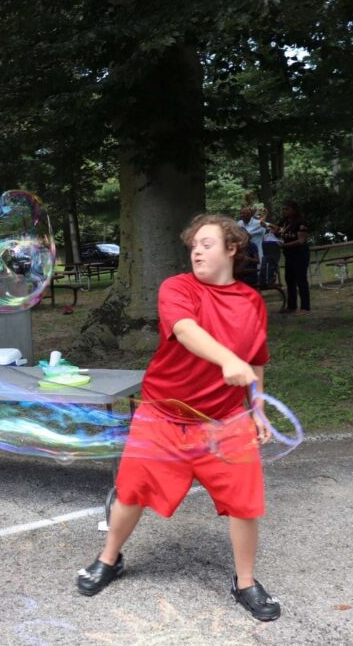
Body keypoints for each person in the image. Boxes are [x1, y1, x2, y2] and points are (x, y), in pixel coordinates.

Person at [75, 214, 280, 622]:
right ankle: (109, 558)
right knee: (132, 491)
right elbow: (186, 331)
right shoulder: (177, 288)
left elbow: (255, 362)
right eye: (193, 246)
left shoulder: (251, 302)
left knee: (245, 502)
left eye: (206, 243)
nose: (197, 251)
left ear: (232, 248)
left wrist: (256, 408)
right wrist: (227, 361)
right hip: (163, 413)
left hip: (225, 418)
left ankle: (245, 582)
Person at [274, 201, 310, 313]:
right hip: (288, 255)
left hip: (300, 254)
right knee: (289, 279)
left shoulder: (301, 223)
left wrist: (284, 245)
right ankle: (292, 306)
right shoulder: (284, 222)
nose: (285, 211)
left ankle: (305, 307)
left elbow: (301, 241)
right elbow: (279, 233)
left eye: (287, 209)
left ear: (294, 210)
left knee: (301, 279)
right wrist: (274, 232)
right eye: (284, 209)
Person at [237, 203, 266, 267]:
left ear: (250, 214)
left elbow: (271, 227)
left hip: (256, 252)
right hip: (244, 252)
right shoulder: (239, 223)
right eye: (241, 213)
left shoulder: (258, 223)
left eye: (244, 213)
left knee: (257, 271)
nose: (242, 215)